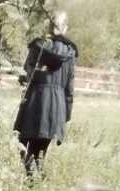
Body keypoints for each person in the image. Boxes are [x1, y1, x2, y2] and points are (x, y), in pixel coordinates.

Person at [13, 11, 77, 176]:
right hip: (57, 106)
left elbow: (25, 76)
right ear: (65, 27)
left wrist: (23, 79)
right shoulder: (70, 51)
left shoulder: (37, 46)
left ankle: (33, 180)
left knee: (22, 142)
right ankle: (35, 179)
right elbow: (69, 87)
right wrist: (67, 115)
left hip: (34, 101)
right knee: (40, 149)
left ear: (47, 25)